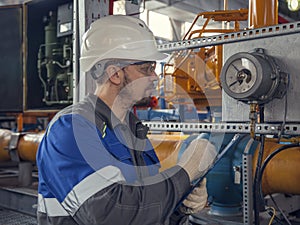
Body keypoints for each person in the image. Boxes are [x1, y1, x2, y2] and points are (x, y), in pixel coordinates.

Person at [36, 15, 216, 225]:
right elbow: (112, 215)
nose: (155, 76)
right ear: (115, 74)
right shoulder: (70, 129)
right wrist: (186, 171)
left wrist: (181, 204)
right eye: (146, 68)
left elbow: (146, 207)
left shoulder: (132, 131)